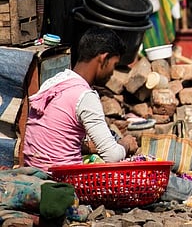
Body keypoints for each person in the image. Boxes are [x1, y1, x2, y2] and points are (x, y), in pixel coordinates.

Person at [24, 28, 139, 170]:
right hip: (61, 180)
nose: (112, 73)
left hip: (34, 169)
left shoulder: (55, 82)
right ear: (103, 59)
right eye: (113, 65)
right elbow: (112, 156)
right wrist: (126, 144)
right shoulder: (84, 96)